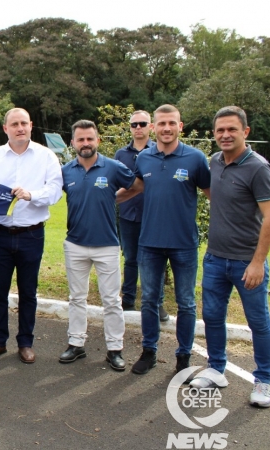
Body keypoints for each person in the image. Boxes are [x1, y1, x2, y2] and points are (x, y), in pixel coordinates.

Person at [189, 106, 270, 408]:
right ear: (214, 134)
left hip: (245, 262)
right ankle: (216, 369)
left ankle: (264, 380)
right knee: (212, 316)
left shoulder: (259, 168)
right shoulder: (214, 161)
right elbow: (219, 197)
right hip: (215, 258)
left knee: (258, 322)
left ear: (245, 132)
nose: (225, 135)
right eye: (220, 130)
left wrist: (256, 262)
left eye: (232, 130)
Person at [119, 104, 211, 377]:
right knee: (148, 300)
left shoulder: (195, 158)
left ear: (180, 126)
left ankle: (183, 357)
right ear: (153, 128)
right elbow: (134, 188)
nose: (166, 128)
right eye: (161, 124)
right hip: (149, 243)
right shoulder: (144, 158)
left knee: (186, 302)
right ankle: (149, 352)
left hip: (183, 244)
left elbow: (213, 195)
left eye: (172, 123)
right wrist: (101, 199)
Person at [0, 108, 63, 364]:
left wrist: (31, 195)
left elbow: (55, 191)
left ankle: (25, 342)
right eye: (14, 124)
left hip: (31, 234)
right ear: (5, 128)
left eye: (24, 123)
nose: (20, 128)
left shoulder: (46, 156)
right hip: (0, 234)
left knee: (28, 292)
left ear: (31, 126)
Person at [60, 120, 133, 371]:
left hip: (107, 245)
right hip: (75, 244)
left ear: (97, 140)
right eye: (80, 139)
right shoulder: (66, 170)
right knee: (76, 298)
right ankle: (76, 344)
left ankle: (115, 348)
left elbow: (137, 186)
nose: (85, 143)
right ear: (73, 143)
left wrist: (116, 197)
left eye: (90, 139)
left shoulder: (113, 167)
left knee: (112, 300)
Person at [114, 111, 169, 320]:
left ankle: (157, 303)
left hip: (153, 215)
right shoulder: (121, 154)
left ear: (150, 127)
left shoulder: (158, 152)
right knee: (130, 259)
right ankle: (128, 299)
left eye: (142, 124)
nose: (138, 128)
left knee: (155, 260)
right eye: (134, 124)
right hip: (128, 214)